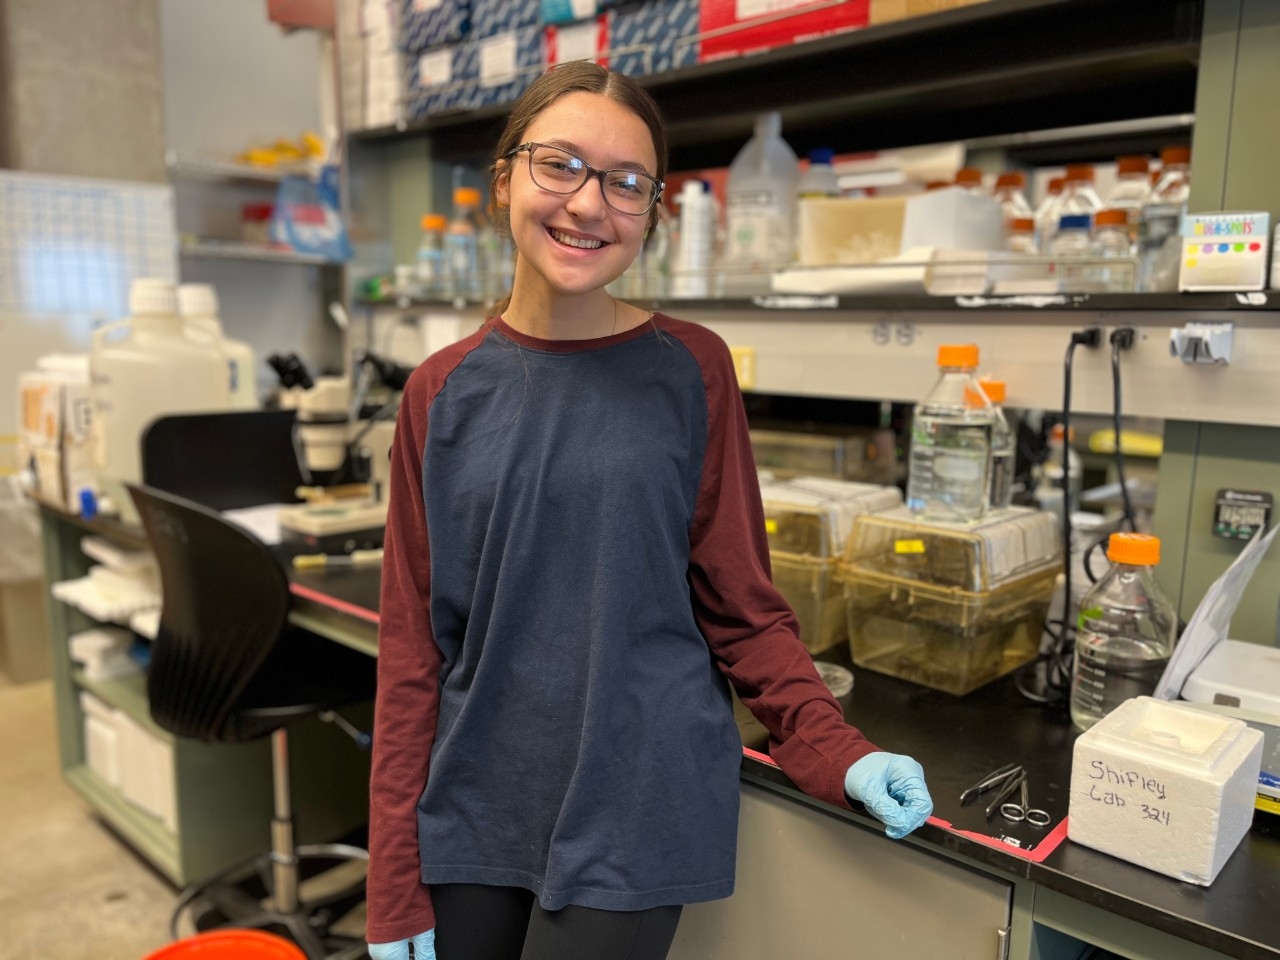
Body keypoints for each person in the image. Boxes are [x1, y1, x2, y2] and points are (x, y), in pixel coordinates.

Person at [366, 61, 934, 960]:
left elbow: (743, 610)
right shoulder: (440, 393)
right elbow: (411, 652)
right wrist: (393, 881)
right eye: (560, 166)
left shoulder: (693, 371)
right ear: (505, 178)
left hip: (637, 800)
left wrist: (836, 749)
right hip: (475, 799)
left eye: (627, 183)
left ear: (653, 213)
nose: (590, 205)